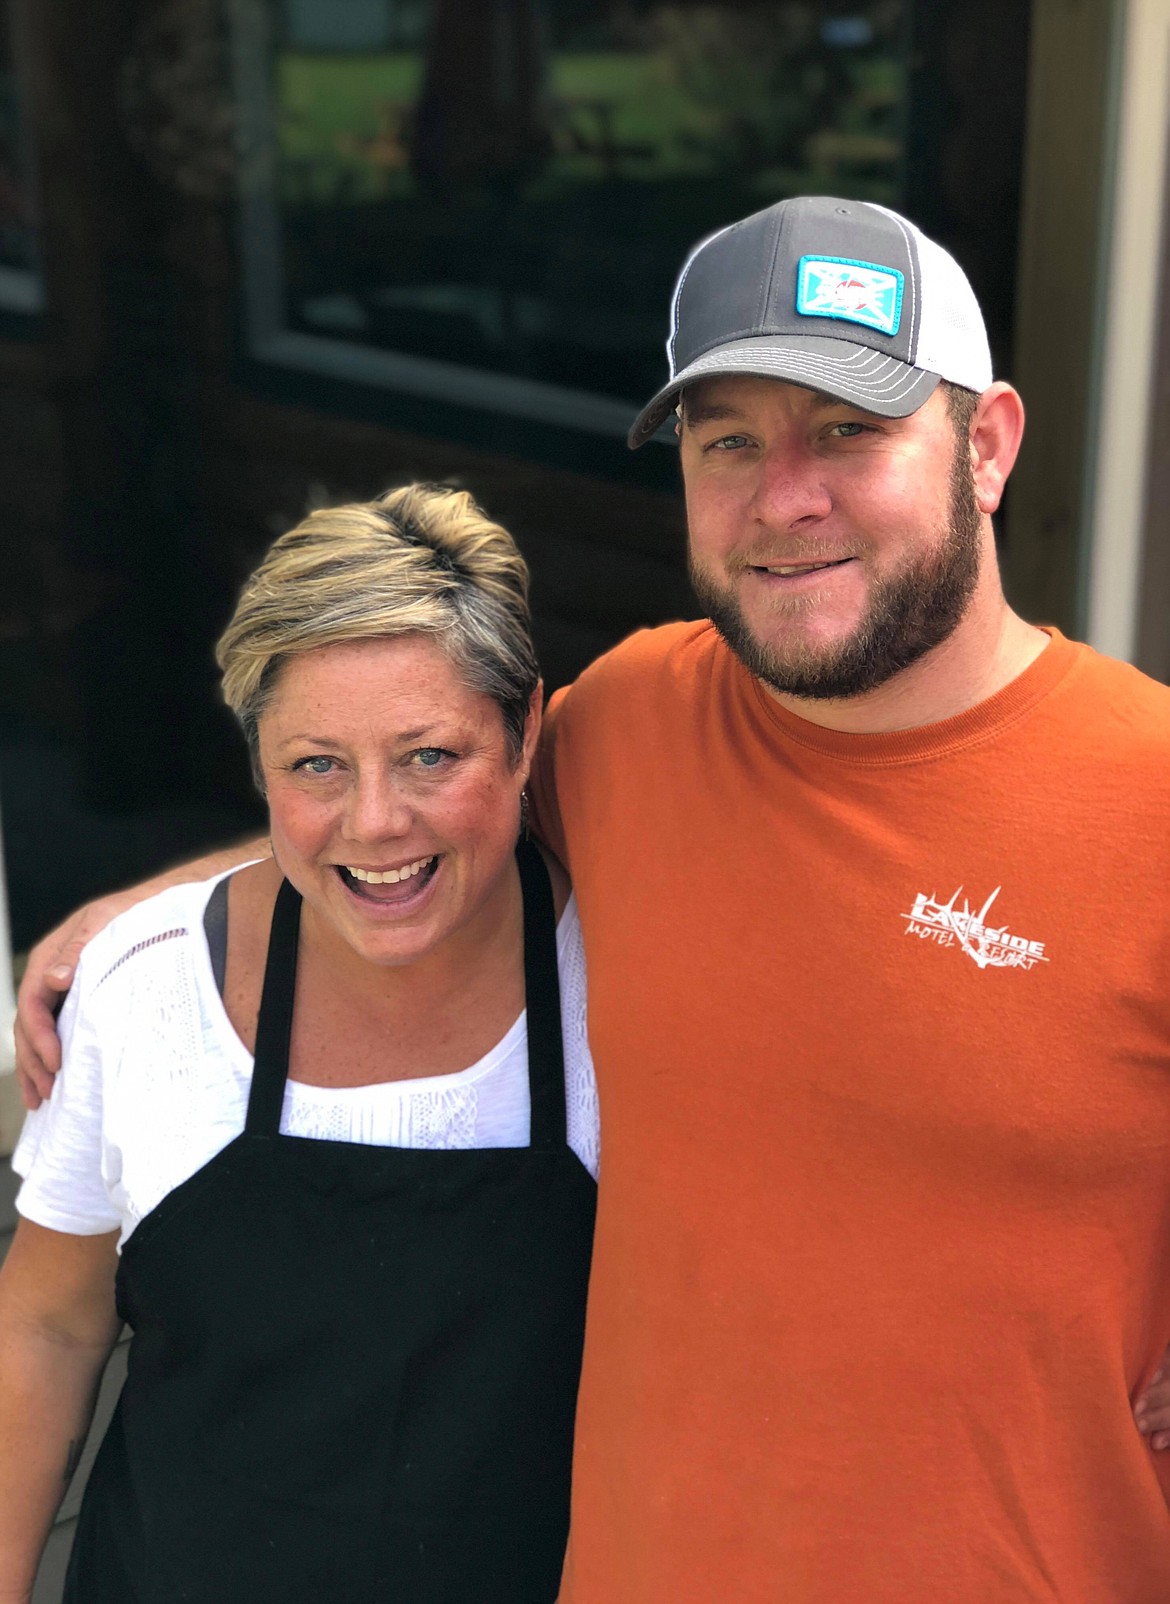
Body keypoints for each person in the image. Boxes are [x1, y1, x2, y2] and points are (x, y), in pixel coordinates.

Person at [13, 196, 1170, 1599]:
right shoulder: (633, 721)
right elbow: (414, 813)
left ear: (984, 444)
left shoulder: (1146, 796)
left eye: (848, 431)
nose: (783, 494)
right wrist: (138, 918)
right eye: (726, 438)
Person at [0, 483, 598, 1603]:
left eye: (430, 755)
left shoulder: (624, 993)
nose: (375, 821)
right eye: (316, 763)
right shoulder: (148, 985)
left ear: (527, 732)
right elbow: (45, 1321)